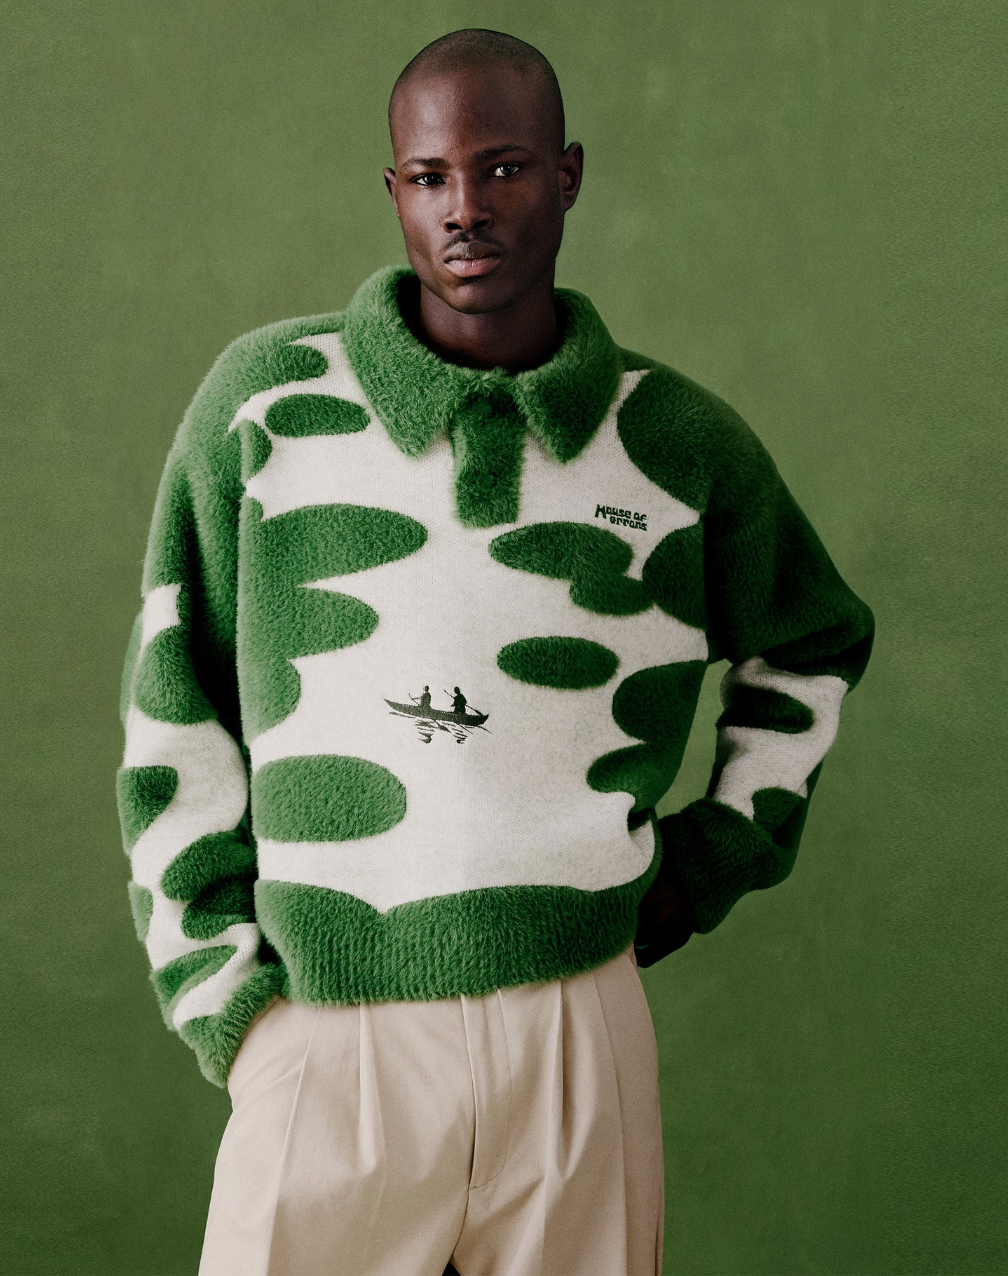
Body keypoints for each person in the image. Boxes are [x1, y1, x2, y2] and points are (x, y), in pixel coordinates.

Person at [115, 28, 874, 1276]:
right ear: (395, 190)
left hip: (577, 1023)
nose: (464, 207)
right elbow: (171, 704)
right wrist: (231, 1007)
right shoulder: (263, 409)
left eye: (505, 168)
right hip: (326, 1028)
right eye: (430, 176)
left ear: (568, 176)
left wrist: (717, 854)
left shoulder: (676, 442)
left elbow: (815, 640)